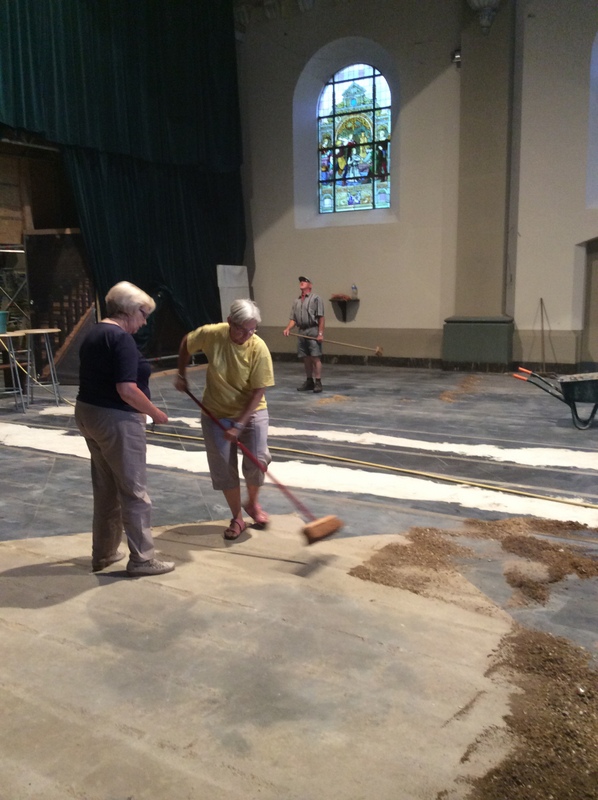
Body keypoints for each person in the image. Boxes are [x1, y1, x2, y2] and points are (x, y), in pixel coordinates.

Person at [75, 281, 175, 577]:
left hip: (88, 413)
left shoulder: (94, 332)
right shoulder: (121, 339)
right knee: (134, 491)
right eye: (143, 314)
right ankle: (142, 559)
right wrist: (156, 413)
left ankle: (104, 553)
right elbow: (127, 390)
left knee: (106, 489)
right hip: (116, 419)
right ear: (129, 310)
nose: (144, 322)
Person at [174, 299, 275, 541]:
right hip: (216, 411)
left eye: (252, 329)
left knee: (257, 461)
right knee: (223, 467)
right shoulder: (213, 334)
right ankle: (237, 517)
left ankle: (252, 503)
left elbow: (258, 391)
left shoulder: (258, 348)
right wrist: (181, 374)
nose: (247, 335)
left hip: (251, 411)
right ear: (230, 322)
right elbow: (186, 343)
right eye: (242, 329)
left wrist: (239, 423)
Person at [283, 276, 325, 392]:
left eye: (305, 281)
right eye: (301, 281)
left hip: (312, 329)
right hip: (301, 331)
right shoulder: (296, 301)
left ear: (310, 285)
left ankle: (318, 381)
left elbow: (321, 317)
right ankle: (309, 381)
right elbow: (293, 319)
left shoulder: (316, 299)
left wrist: (320, 333)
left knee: (315, 356)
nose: (301, 282)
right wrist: (288, 328)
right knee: (306, 357)